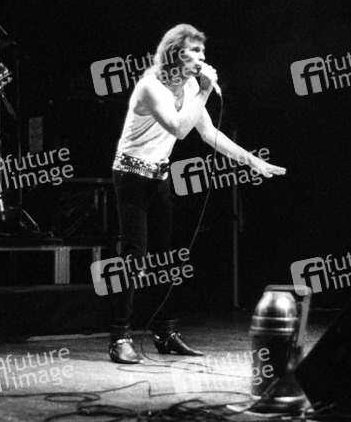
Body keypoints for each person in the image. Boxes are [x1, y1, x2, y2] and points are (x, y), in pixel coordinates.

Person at [108, 24, 286, 364]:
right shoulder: (151, 86)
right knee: (134, 256)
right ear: (176, 53)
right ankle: (119, 337)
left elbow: (209, 133)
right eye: (195, 51)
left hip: (159, 176)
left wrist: (251, 160)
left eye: (203, 52)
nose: (203, 58)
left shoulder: (190, 86)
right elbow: (178, 128)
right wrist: (204, 90)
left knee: (165, 258)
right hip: (130, 175)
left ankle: (165, 332)